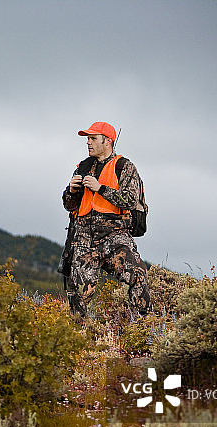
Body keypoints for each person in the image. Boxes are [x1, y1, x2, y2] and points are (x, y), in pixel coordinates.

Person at [62, 121, 151, 318]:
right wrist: (71, 191)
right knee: (79, 293)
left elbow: (130, 200)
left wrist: (100, 188)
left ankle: (144, 327)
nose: (88, 142)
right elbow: (69, 206)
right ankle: (77, 333)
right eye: (88, 139)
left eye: (93, 138)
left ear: (108, 141)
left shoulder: (124, 167)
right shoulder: (82, 167)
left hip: (115, 236)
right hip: (84, 238)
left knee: (137, 274)